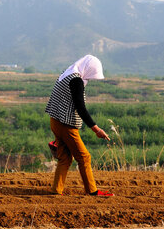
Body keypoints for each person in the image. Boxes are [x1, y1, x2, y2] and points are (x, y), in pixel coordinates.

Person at [45, 54, 114, 196]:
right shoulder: (76, 80)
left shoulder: (68, 73)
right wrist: (96, 129)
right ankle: (92, 191)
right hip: (66, 125)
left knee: (64, 158)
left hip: (55, 121)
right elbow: (80, 108)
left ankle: (56, 191)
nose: (89, 78)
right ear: (88, 69)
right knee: (84, 157)